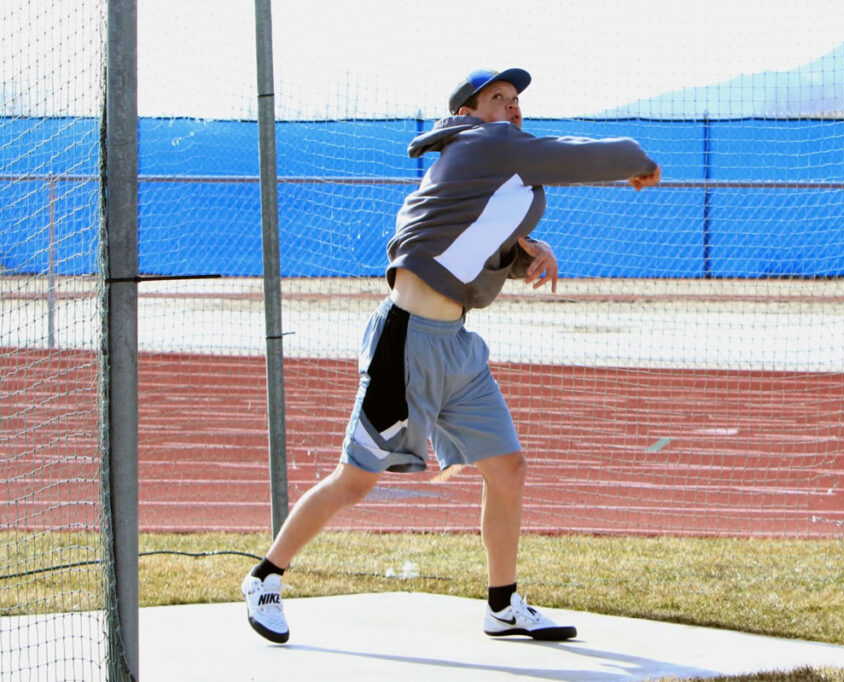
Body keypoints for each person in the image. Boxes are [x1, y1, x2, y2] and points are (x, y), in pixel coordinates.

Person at [241, 67, 661, 644]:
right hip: (407, 340)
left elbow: (465, 240)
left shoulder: (488, 167)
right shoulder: (486, 144)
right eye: (498, 98)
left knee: (507, 469)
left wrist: (525, 252)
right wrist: (638, 158)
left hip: (457, 346)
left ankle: (503, 603)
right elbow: (584, 157)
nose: (512, 108)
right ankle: (265, 578)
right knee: (356, 480)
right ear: (467, 112)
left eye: (516, 101)